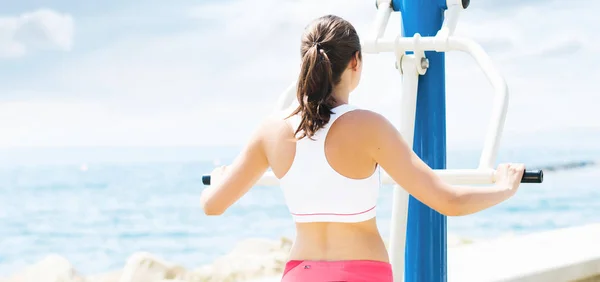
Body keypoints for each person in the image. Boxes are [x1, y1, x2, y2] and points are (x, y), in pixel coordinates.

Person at [200, 14, 525, 282]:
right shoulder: (369, 127)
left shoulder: (271, 129)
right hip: (361, 273)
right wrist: (503, 188)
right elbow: (448, 201)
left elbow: (213, 206)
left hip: (300, 274)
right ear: (356, 62)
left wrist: (219, 178)